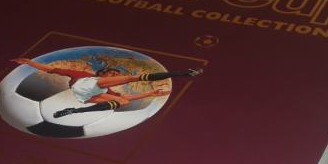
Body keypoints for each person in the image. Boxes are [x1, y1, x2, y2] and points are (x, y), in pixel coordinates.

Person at [11, 58, 203, 118]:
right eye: (110, 72)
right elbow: (51, 69)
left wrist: (151, 93)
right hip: (85, 86)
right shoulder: (83, 75)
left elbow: (128, 99)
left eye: (114, 74)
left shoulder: (107, 88)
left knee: (122, 101)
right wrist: (30, 62)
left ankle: (73, 111)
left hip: (85, 97)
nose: (112, 75)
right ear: (102, 72)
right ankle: (182, 73)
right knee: (131, 78)